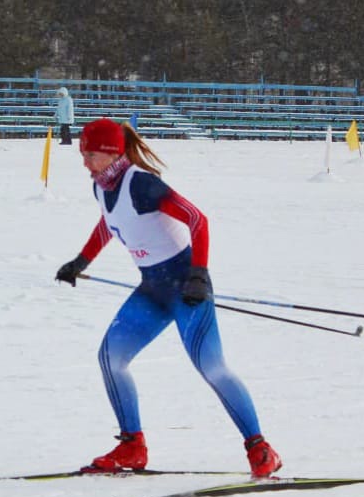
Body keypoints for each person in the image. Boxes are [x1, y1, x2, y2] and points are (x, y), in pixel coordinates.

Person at [55, 117, 281, 478]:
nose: (84, 162)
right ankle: (132, 446)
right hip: (152, 290)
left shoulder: (142, 184)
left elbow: (197, 220)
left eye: (90, 154)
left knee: (211, 367)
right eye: (83, 153)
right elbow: (111, 222)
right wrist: (81, 260)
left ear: (112, 153)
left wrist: (199, 274)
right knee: (111, 357)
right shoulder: (101, 186)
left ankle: (260, 448)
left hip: (186, 289)